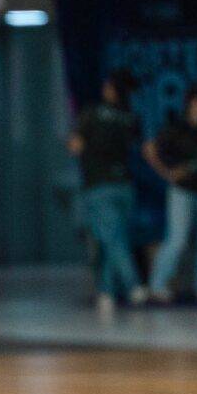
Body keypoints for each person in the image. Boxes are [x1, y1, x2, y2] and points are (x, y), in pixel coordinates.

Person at [68, 68, 143, 314]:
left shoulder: (91, 113)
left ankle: (132, 284)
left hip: (99, 184)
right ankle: (106, 291)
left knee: (111, 240)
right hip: (124, 184)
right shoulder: (131, 117)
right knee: (114, 238)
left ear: (111, 89)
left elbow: (75, 146)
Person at [145, 85, 197, 305]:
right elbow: (150, 149)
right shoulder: (177, 129)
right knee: (178, 239)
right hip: (182, 190)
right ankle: (157, 285)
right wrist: (168, 173)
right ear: (190, 105)